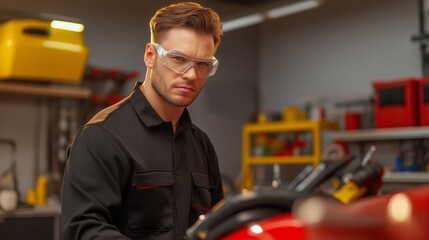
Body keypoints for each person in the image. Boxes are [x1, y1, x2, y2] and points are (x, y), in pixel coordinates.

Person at [61, 2, 224, 239]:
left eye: (203, 65)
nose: (191, 75)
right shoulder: (102, 136)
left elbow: (217, 225)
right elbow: (84, 230)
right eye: (178, 59)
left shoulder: (201, 145)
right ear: (150, 55)